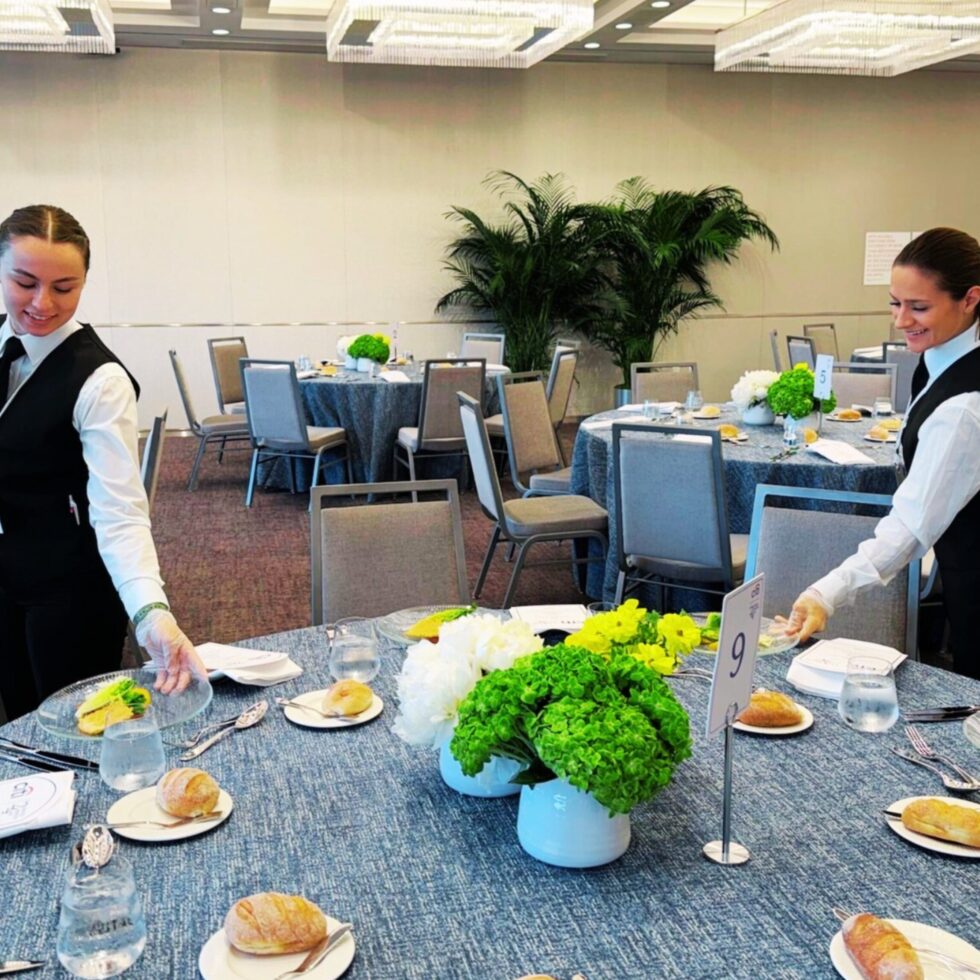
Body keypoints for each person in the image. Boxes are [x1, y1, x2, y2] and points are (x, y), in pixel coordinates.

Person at [0, 204, 205, 719]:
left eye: (64, 288)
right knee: (19, 725)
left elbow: (120, 513)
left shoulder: (100, 380)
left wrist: (151, 612)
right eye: (25, 282)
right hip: (7, 573)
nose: (43, 303)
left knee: (72, 731)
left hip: (67, 593)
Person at [786, 227, 980, 680]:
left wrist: (825, 593)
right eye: (895, 303)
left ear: (970, 298)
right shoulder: (939, 362)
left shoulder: (965, 407)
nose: (901, 320)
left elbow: (911, 526)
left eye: (919, 307)